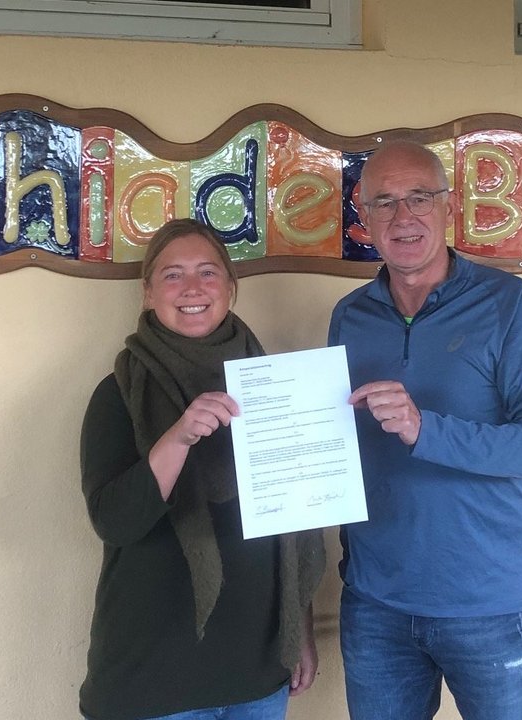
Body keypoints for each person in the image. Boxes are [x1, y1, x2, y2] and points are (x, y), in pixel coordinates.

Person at [328, 140, 522, 720]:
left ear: (449, 206)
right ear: (364, 217)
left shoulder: (507, 303)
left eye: (419, 197)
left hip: (488, 602)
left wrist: (425, 429)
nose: (403, 216)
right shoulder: (349, 315)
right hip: (376, 601)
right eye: (384, 202)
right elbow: (338, 443)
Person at [79, 218, 326, 720]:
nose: (192, 288)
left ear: (230, 288)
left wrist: (298, 630)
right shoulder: (119, 392)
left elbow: (294, 521)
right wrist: (179, 437)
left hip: (257, 676)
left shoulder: (275, 385)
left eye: (207, 272)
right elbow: (115, 522)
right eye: (172, 275)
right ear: (148, 293)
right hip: (153, 683)